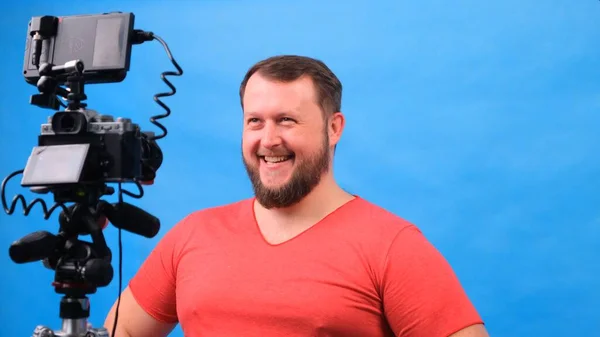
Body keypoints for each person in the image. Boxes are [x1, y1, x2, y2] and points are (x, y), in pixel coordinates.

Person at [104, 55, 489, 337]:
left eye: (286, 120)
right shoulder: (193, 234)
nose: (268, 140)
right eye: (255, 121)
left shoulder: (393, 246)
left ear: (333, 128)